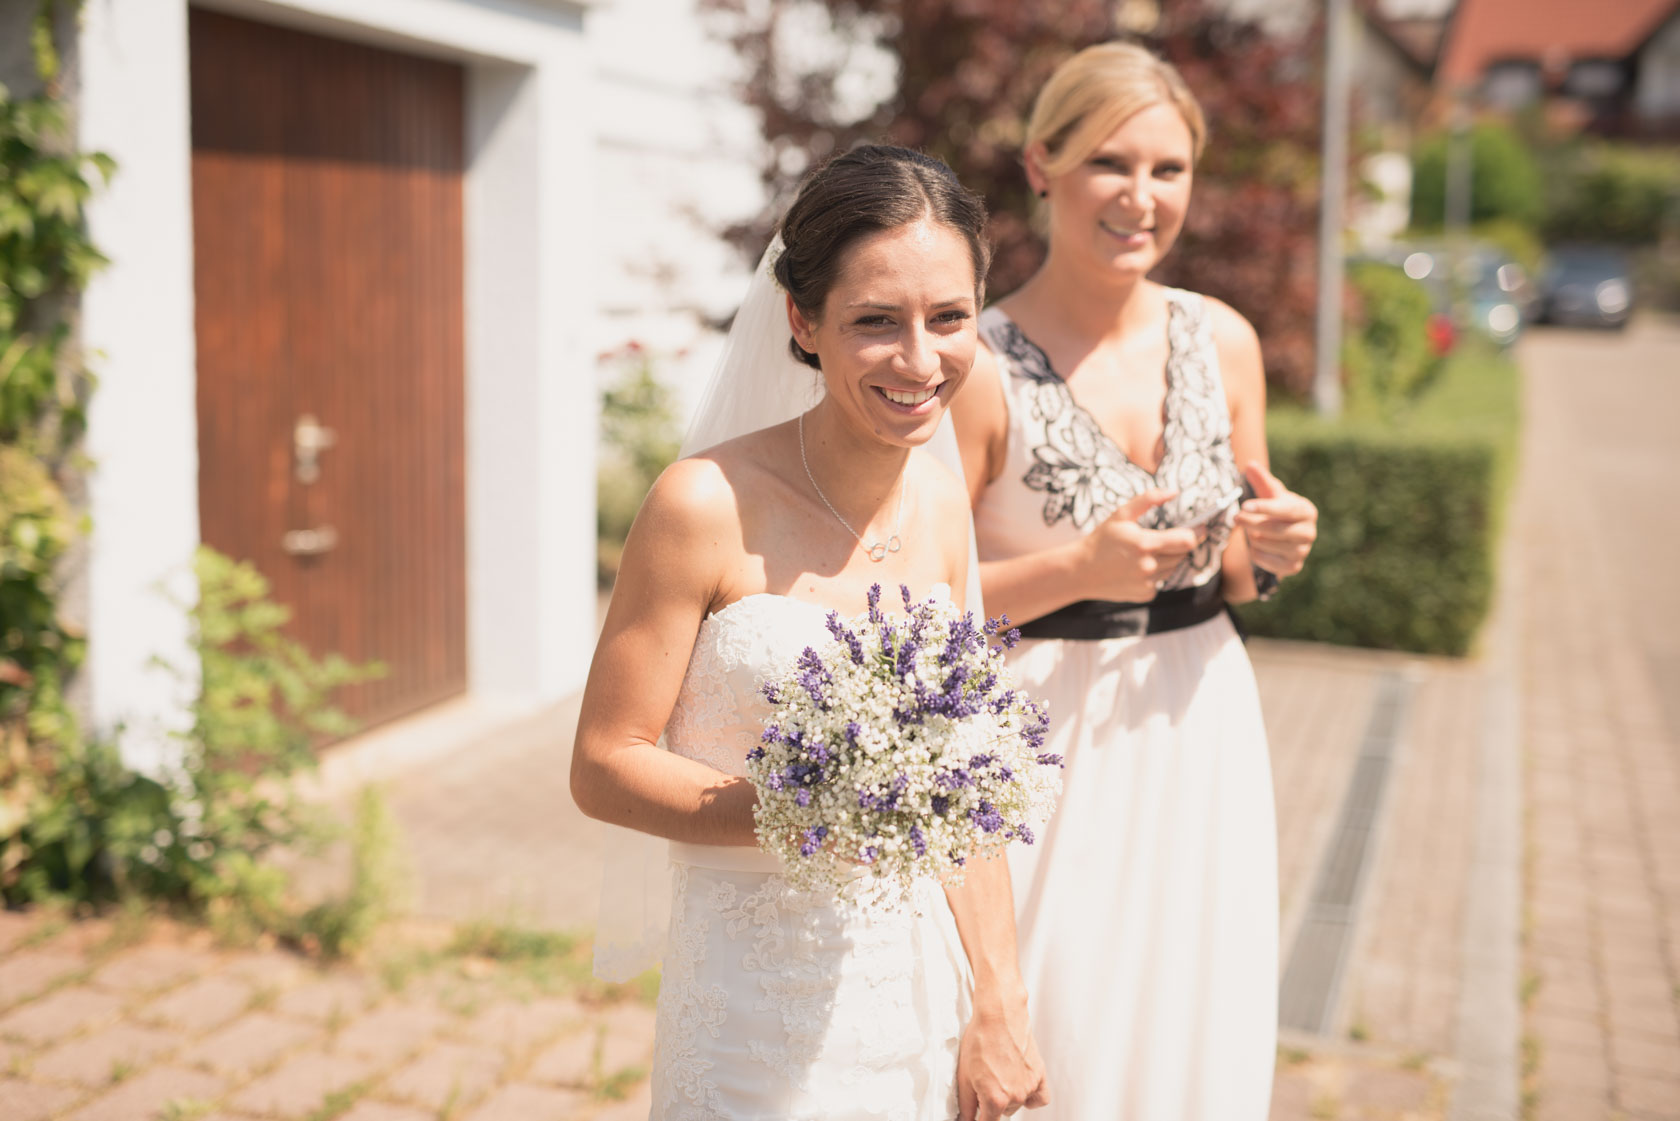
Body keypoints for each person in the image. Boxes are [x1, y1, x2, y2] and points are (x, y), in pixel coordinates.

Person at [570, 145, 1049, 1121]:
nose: (922, 360)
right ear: (802, 320)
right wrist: (811, 807)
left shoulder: (946, 510)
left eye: (950, 317)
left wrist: (998, 1001)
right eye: (877, 321)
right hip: (752, 1012)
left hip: (915, 997)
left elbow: (965, 794)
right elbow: (603, 762)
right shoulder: (702, 502)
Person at [949, 42, 1319, 1121]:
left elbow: (1241, 571)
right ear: (1040, 165)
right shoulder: (973, 362)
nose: (1141, 197)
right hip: (1034, 736)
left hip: (1199, 720)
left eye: (1170, 169)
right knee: (1057, 1020)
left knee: (1187, 1014)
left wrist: (1279, 543)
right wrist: (1077, 567)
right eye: (1111, 163)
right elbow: (912, 606)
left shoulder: (1226, 339)